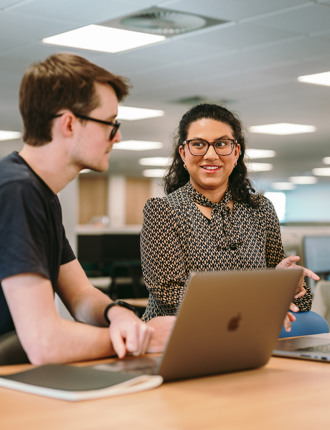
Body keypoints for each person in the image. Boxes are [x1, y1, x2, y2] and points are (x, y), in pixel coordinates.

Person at [0, 53, 174, 365]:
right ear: (68, 124)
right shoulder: (17, 190)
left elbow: (80, 294)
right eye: (109, 123)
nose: (117, 136)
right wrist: (143, 340)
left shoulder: (41, 194)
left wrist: (117, 314)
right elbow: (44, 343)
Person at [140, 103, 320, 333]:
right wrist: (258, 303)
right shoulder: (162, 211)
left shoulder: (261, 210)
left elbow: (296, 304)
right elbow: (171, 295)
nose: (211, 155)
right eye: (198, 145)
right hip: (177, 339)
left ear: (236, 152)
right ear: (183, 153)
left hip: (244, 337)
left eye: (222, 144)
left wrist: (289, 285)